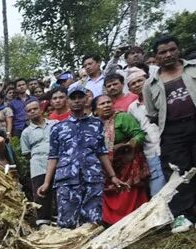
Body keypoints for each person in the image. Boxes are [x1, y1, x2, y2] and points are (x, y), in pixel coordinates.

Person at [38, 84, 128, 228]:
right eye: (73, 98)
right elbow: (53, 156)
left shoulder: (96, 124)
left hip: (92, 178)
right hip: (67, 180)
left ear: (86, 99)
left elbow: (101, 152)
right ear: (68, 101)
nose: (77, 101)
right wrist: (47, 182)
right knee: (67, 224)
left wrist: (112, 176)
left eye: (80, 97)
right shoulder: (58, 128)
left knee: (92, 223)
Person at [142, 35, 196, 230]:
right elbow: (152, 113)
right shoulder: (150, 84)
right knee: (179, 173)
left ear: (178, 49)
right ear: (155, 57)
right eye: (162, 52)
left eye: (172, 49)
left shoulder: (193, 69)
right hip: (172, 131)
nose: (168, 54)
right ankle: (183, 217)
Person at [93, 94, 149, 224]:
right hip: (106, 166)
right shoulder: (93, 125)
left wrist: (129, 145)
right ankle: (112, 222)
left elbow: (139, 134)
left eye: (108, 102)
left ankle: (136, 220)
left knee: (128, 193)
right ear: (95, 111)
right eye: (102, 104)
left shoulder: (122, 117)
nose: (106, 105)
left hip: (126, 162)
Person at [126, 67, 166, 196]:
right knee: (157, 192)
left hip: (170, 145)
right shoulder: (132, 108)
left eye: (140, 80)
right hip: (151, 152)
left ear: (147, 80)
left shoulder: (161, 95)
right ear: (130, 88)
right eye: (133, 83)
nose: (137, 84)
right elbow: (135, 132)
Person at [20, 100, 57, 226]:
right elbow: (27, 153)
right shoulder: (26, 132)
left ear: (40, 109)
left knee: (59, 192)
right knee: (41, 194)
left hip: (59, 163)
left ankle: (62, 220)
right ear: (27, 115)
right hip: (38, 165)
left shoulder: (54, 124)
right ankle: (43, 224)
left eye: (35, 109)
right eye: (29, 111)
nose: (32, 112)